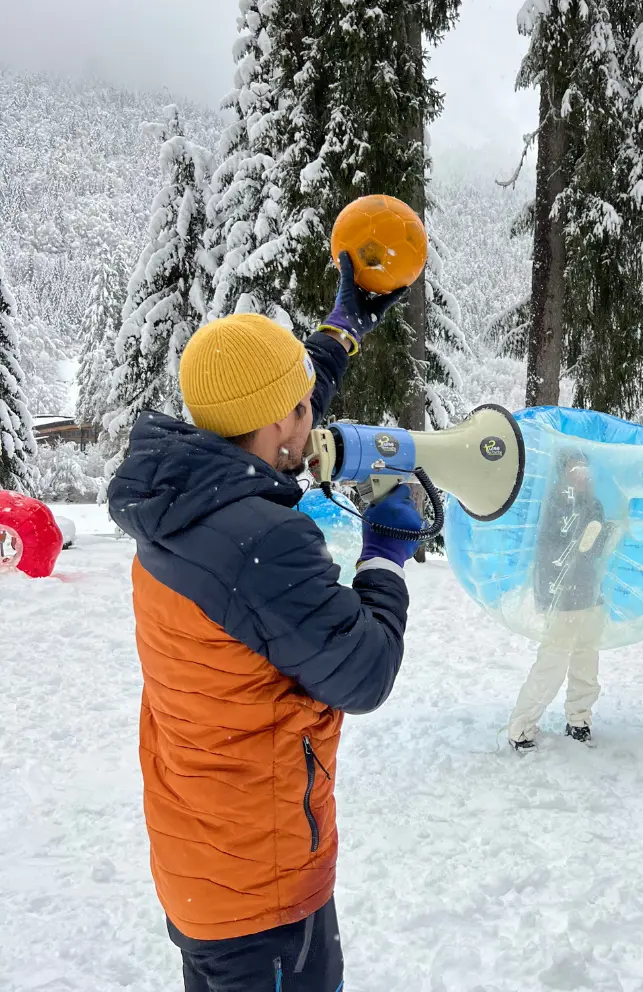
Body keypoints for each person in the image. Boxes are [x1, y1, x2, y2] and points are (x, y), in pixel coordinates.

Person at [106, 254, 421, 991]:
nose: (314, 421)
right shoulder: (261, 543)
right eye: (305, 409)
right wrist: (386, 554)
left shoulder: (176, 499)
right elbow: (366, 672)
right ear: (281, 420)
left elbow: (273, 396)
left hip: (205, 864)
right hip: (265, 893)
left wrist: (342, 330)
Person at [508, 449, 614, 750]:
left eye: (583, 467)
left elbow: (595, 552)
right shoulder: (553, 504)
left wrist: (605, 537)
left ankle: (579, 721)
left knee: (586, 659)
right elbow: (544, 550)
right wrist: (569, 554)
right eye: (573, 468)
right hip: (562, 594)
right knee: (552, 662)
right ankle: (521, 727)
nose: (580, 474)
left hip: (591, 592)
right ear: (563, 473)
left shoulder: (593, 504)